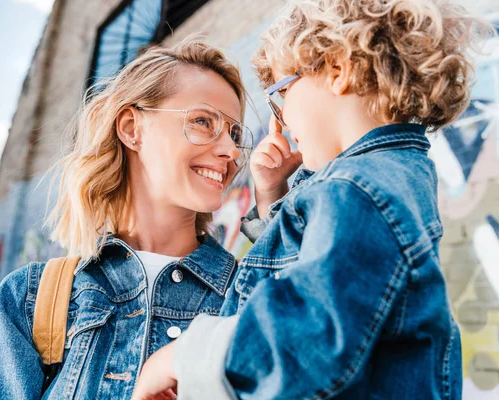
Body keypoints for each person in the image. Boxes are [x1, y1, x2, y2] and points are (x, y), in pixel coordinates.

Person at [132, 1, 494, 398]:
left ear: (338, 70)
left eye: (281, 93)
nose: (281, 119)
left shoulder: (359, 191)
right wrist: (272, 193)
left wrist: (181, 359)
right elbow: (314, 261)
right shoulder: (371, 181)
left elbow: (312, 329)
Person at [0, 38, 253, 399]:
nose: (229, 151)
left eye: (235, 133)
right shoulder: (30, 299)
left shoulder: (247, 297)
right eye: (202, 121)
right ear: (132, 128)